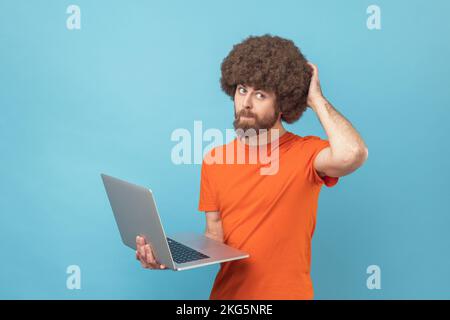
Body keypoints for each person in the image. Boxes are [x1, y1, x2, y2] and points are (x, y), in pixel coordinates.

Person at [136, 34, 368, 299]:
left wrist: (315, 99)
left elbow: (353, 153)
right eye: (242, 89)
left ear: (283, 103)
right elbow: (214, 236)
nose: (246, 102)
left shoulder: (307, 153)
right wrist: (169, 255)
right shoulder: (215, 160)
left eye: (260, 94)